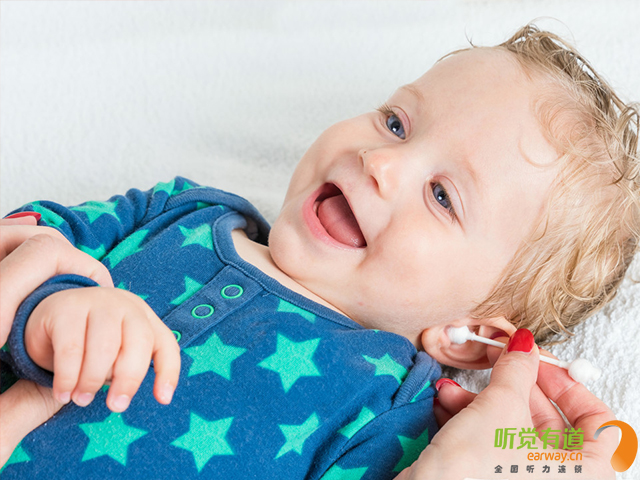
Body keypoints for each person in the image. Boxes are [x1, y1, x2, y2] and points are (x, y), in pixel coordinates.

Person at [0, 24, 638, 479]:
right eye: (396, 123)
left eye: (443, 196)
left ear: (471, 338)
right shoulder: (183, 210)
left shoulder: (387, 413)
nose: (381, 162)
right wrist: (50, 304)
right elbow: (33, 233)